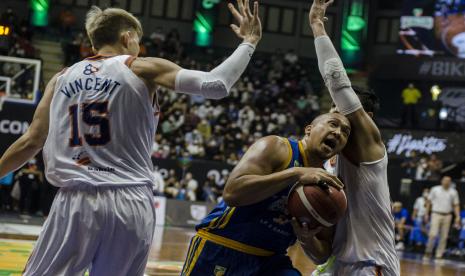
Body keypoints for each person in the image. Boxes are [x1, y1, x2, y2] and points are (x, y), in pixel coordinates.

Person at [0, 1, 262, 275]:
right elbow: (217, 84)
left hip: (76, 199)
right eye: (138, 40)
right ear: (127, 37)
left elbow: (31, 141)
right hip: (131, 200)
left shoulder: (61, 78)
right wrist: (250, 41)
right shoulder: (141, 67)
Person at [181, 112, 350, 276]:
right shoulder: (277, 147)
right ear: (309, 129)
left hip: (270, 261)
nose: (338, 133)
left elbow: (321, 255)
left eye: (345, 132)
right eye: (333, 124)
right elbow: (232, 193)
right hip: (223, 246)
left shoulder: (328, 186)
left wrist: (306, 238)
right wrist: (295, 173)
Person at [302, 0, 400, 275]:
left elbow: (336, 79)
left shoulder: (371, 147)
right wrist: (306, 235)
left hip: (370, 265)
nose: (335, 120)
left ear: (364, 116)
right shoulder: (328, 165)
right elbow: (321, 253)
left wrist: (317, 25)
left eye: (341, 111)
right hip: (338, 264)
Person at [423, 176, 461, 262]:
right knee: (433, 234)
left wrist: (458, 216)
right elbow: (429, 202)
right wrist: (426, 214)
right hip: (436, 213)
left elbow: (456, 205)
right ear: (442, 181)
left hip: (447, 215)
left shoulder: (453, 192)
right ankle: (428, 251)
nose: (447, 182)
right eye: (445, 180)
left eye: (449, 181)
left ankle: (439, 255)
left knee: (444, 236)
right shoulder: (435, 189)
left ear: (450, 182)